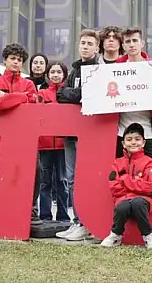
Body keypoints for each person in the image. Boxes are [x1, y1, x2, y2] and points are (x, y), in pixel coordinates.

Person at [0, 43, 43, 227]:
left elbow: (34, 104)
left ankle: (30, 210)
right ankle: (1, 215)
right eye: (12, 58)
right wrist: (23, 97)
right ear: (5, 60)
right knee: (1, 179)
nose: (16, 62)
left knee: (33, 174)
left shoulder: (29, 84)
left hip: (25, 140)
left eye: (19, 60)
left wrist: (8, 97)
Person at [56, 29, 101, 241]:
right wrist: (73, 94)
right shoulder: (74, 70)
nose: (85, 46)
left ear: (96, 48)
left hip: (88, 133)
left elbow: (87, 94)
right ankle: (77, 221)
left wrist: (72, 94)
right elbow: (60, 94)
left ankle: (87, 223)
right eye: (83, 43)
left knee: (85, 178)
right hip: (70, 133)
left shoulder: (98, 70)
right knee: (71, 178)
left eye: (90, 44)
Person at [114, 27, 152, 169]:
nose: (131, 44)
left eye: (135, 40)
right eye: (128, 41)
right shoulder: (114, 69)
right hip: (122, 134)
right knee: (123, 176)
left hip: (150, 135)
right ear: (123, 46)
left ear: (142, 43)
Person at [100, 122, 152, 249]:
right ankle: (116, 235)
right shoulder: (117, 163)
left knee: (137, 203)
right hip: (123, 199)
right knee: (122, 207)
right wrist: (136, 186)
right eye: (129, 139)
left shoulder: (150, 163)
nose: (133, 142)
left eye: (137, 139)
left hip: (145, 200)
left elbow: (149, 186)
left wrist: (125, 179)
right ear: (123, 143)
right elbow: (114, 187)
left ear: (143, 143)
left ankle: (149, 236)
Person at [38, 62, 71, 223]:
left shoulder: (68, 94)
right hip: (44, 143)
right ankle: (45, 216)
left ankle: (63, 217)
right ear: (47, 75)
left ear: (64, 75)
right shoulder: (42, 93)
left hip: (63, 144)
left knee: (62, 181)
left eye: (59, 72)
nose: (56, 75)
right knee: (45, 182)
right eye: (52, 72)